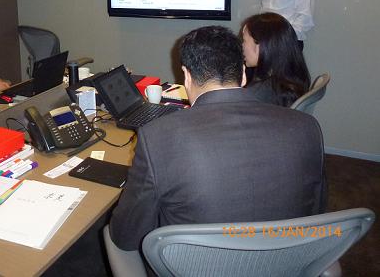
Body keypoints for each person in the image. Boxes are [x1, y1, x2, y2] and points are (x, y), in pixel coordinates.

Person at [109, 26, 325, 251]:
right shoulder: (307, 127)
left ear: (186, 77)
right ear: (243, 74)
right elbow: (316, 214)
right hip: (290, 260)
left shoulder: (156, 137)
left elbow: (125, 236)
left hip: (189, 265)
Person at [241, 12, 311, 107]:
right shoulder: (292, 80)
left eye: (244, 41)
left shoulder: (258, 95)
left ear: (261, 46)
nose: (242, 46)